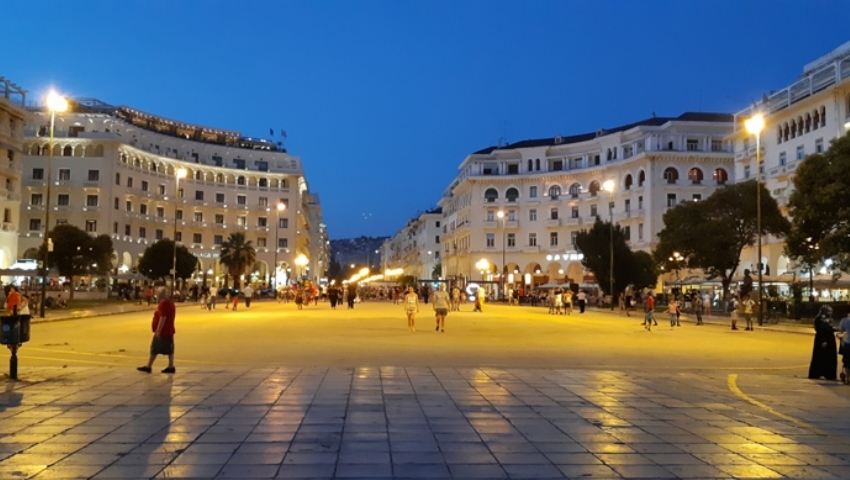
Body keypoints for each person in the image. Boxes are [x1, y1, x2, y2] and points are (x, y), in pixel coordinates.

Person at [137, 289, 177, 374]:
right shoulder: (170, 303)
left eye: (157, 293)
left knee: (155, 348)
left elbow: (163, 317)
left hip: (164, 331)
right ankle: (170, 366)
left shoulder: (164, 304)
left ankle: (149, 366)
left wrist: (158, 330)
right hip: (169, 330)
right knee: (169, 348)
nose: (156, 294)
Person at [808, 305, 837, 381]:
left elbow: (830, 327)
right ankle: (818, 373)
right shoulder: (819, 319)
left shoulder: (829, 319)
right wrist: (823, 340)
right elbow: (819, 330)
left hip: (830, 339)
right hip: (822, 339)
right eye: (829, 311)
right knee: (820, 356)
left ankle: (830, 374)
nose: (830, 312)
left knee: (830, 357)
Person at [839, 311, 850, 385]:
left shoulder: (844, 320)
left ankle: (847, 379)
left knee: (847, 362)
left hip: (848, 343)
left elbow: (841, 330)